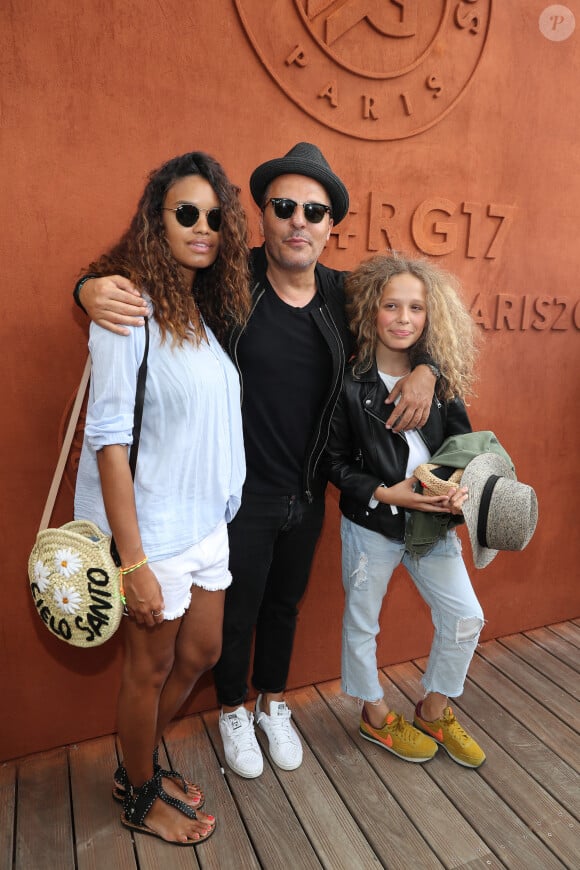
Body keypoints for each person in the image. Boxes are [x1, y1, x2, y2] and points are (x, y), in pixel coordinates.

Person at [73, 143, 439, 779]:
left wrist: (428, 369)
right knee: (229, 622)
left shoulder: (346, 297)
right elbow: (143, 269)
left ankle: (274, 704)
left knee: (282, 607)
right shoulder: (227, 280)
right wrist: (87, 287)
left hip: (306, 490)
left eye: (315, 210)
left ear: (330, 226)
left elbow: (406, 322)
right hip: (235, 498)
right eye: (285, 206)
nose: (300, 220)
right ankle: (233, 710)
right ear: (265, 217)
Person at [74, 151, 250, 844]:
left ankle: (135, 760)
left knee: (201, 653)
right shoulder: (124, 308)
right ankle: (139, 791)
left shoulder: (200, 313)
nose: (202, 227)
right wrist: (132, 562)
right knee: (146, 670)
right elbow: (109, 442)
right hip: (153, 533)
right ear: (157, 219)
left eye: (214, 217)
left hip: (206, 525)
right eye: (186, 213)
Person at [324, 253, 487, 768]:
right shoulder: (349, 382)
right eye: (391, 304)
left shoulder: (437, 378)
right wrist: (385, 492)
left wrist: (458, 487)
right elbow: (333, 461)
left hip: (432, 523)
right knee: (362, 622)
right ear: (371, 309)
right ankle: (374, 715)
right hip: (373, 523)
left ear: (428, 315)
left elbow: (462, 442)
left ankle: (433, 709)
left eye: (415, 307)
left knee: (465, 616)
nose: (403, 317)